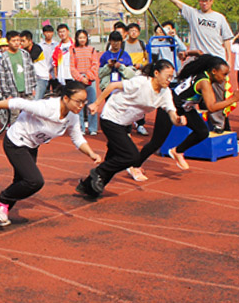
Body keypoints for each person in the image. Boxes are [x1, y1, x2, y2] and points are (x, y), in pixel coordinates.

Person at [0, 81, 101, 226]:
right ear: (66, 98)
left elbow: (78, 138)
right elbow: (19, 103)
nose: (81, 106)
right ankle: (0, 200)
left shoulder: (72, 117)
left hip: (31, 146)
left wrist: (91, 153)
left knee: (21, 181)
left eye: (84, 102)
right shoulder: (48, 107)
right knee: (34, 181)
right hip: (16, 142)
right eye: (78, 101)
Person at [77, 60, 186, 199]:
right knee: (131, 156)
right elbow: (113, 85)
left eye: (172, 77)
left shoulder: (165, 93)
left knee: (113, 158)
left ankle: (87, 187)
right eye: (167, 76)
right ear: (156, 73)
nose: (169, 79)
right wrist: (96, 104)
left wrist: (178, 120)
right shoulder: (141, 82)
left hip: (123, 124)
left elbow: (172, 113)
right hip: (111, 117)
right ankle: (98, 172)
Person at [128, 55, 239, 180]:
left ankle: (177, 151)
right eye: (224, 74)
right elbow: (211, 107)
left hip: (185, 107)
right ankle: (134, 166)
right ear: (214, 71)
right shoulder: (204, 82)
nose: (225, 78)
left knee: (202, 132)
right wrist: (233, 99)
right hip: (169, 106)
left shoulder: (205, 76)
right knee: (157, 142)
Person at [154, 0, 234, 133]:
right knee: (188, 89)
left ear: (212, 1)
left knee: (217, 93)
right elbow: (175, 1)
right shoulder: (193, 14)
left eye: (207, 1)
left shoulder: (219, 18)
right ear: (198, 2)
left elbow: (227, 40)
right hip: (199, 61)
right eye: (201, 1)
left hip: (216, 61)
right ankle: (182, 119)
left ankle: (218, 124)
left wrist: (228, 60)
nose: (204, 3)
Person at [0, 33, 36, 124]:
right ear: (8, 42)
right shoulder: (4, 57)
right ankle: (15, 131)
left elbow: (31, 70)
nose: (17, 43)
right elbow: (2, 77)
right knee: (15, 115)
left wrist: (33, 87)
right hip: (13, 91)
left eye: (18, 40)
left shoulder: (25, 54)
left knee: (30, 113)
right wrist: (7, 93)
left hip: (27, 89)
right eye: (14, 41)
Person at [69, 29, 99, 135]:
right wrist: (81, 78)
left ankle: (93, 128)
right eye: (80, 37)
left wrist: (88, 77)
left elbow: (95, 65)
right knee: (78, 105)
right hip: (78, 80)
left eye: (84, 37)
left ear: (87, 38)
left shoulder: (92, 50)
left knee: (92, 104)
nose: (82, 40)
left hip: (90, 80)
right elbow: (72, 68)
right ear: (77, 39)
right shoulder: (73, 50)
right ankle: (80, 128)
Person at [124, 23, 150, 135]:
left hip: (140, 74)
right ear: (127, 32)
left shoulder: (142, 44)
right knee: (128, 100)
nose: (133, 32)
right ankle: (127, 126)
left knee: (140, 100)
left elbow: (148, 60)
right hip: (127, 75)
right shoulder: (123, 45)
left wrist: (141, 66)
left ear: (139, 33)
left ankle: (140, 124)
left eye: (136, 31)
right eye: (131, 30)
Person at [21, 30, 49, 101]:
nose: (21, 43)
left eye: (23, 41)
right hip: (30, 79)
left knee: (35, 101)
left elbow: (28, 60)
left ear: (30, 41)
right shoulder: (24, 50)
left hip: (41, 78)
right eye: (20, 41)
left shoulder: (37, 48)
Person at [39, 25, 59, 98]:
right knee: (45, 94)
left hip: (55, 73)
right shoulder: (40, 46)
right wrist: (46, 72)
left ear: (53, 33)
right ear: (43, 33)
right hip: (44, 73)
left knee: (57, 93)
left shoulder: (57, 45)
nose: (48, 34)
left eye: (50, 32)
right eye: (46, 32)